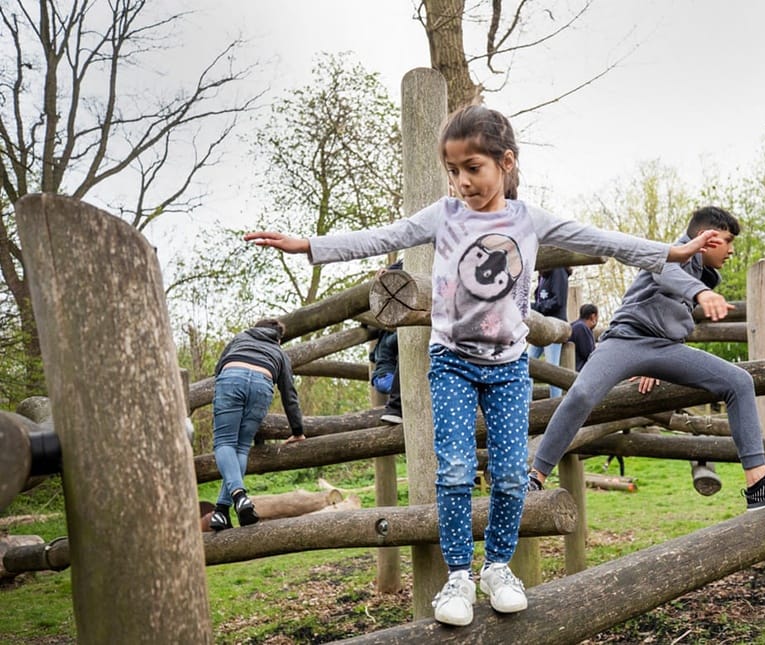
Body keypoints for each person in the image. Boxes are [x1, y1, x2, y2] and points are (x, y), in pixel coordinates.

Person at [243, 104, 722, 626]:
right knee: (452, 470)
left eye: (473, 168)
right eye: (453, 170)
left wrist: (677, 255)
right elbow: (384, 236)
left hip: (510, 366)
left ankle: (497, 567)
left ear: (505, 162)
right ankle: (456, 577)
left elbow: (603, 240)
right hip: (451, 361)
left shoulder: (528, 220)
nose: (462, 181)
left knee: (512, 474)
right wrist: (309, 245)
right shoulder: (444, 216)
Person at [528, 206, 765, 512]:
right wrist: (700, 294)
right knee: (583, 393)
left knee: (739, 381)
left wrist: (658, 364)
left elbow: (671, 317)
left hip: (664, 350)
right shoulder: (672, 253)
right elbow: (664, 271)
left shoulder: (702, 272)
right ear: (707, 237)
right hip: (624, 342)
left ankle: (760, 484)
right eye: (728, 240)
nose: (732, 250)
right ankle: (535, 475)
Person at [210, 319, 306, 531]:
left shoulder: (240, 338)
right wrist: (297, 430)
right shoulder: (279, 353)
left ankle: (237, 498)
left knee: (225, 441)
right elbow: (289, 394)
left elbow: (219, 369)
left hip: (231, 377)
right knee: (242, 447)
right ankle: (222, 511)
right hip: (262, 383)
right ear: (279, 338)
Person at [528, 267, 571, 397]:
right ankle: (528, 403)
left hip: (555, 326)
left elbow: (558, 301)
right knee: (527, 363)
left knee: (552, 368)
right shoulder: (542, 276)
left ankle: (555, 403)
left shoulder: (558, 271)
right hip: (541, 325)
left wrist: (536, 307)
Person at [372, 260, 404, 425]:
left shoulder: (384, 339)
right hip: (385, 378)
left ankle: (395, 408)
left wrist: (389, 270)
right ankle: (395, 408)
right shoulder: (389, 338)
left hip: (382, 378)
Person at [569, 303, 599, 372]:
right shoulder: (581, 328)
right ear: (593, 316)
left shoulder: (576, 325)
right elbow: (589, 354)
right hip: (579, 369)